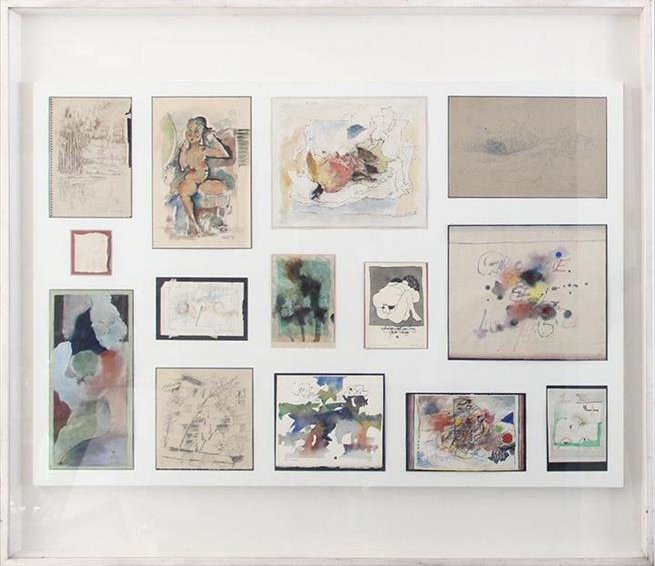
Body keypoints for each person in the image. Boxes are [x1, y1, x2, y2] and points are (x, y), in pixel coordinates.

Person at [176, 116, 232, 235]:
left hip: (202, 182)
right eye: (189, 131)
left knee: (224, 189)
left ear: (202, 133)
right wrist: (183, 151)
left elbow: (224, 154)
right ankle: (193, 224)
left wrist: (211, 138)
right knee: (184, 193)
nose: (192, 134)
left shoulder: (203, 150)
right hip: (190, 181)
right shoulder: (186, 151)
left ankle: (216, 222)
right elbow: (182, 166)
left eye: (196, 131)